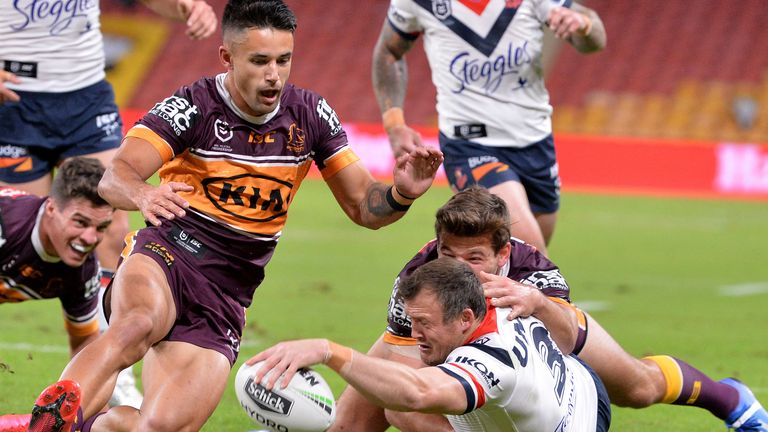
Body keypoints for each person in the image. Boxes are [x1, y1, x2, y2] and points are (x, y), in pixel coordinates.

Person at [19, 1, 444, 431]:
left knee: (162, 426)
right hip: (169, 256)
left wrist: (401, 193)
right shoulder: (192, 107)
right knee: (136, 323)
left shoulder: (311, 116)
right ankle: (52, 421)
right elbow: (115, 177)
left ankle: (97, 426)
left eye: (284, 59)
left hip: (227, 294)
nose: (274, 74)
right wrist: (143, 194)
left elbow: (364, 208)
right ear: (228, 57)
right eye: (260, 61)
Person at [329, 187, 768, 432]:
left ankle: (729, 397)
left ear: (503, 254)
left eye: (474, 259)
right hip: (459, 353)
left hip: (544, 351)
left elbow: (563, 345)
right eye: (449, 254)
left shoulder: (532, 270)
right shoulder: (418, 280)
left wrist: (537, 304)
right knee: (385, 411)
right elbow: (409, 372)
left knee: (637, 388)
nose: (458, 271)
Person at [0, 0, 218, 408]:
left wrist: (184, 6)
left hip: (84, 97)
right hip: (14, 97)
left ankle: (113, 374)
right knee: (22, 238)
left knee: (111, 227)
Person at [249, 257, 612, 431]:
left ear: (465, 319)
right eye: (413, 320)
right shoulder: (497, 297)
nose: (414, 332)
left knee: (407, 398)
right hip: (577, 382)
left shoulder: (491, 360)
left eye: (424, 323)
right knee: (398, 399)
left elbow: (416, 394)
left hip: (578, 419)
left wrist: (329, 350)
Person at [372, 0, 607, 256]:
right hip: (470, 144)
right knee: (532, 257)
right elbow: (388, 51)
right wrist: (394, 123)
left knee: (510, 264)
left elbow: (595, 39)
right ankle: (552, 296)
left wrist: (582, 25)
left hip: (535, 141)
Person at [0, 158, 113, 431]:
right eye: (80, 222)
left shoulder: (83, 271)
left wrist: (90, 417)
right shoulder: (6, 223)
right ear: (51, 207)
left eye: (100, 228)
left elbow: (86, 346)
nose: (89, 238)